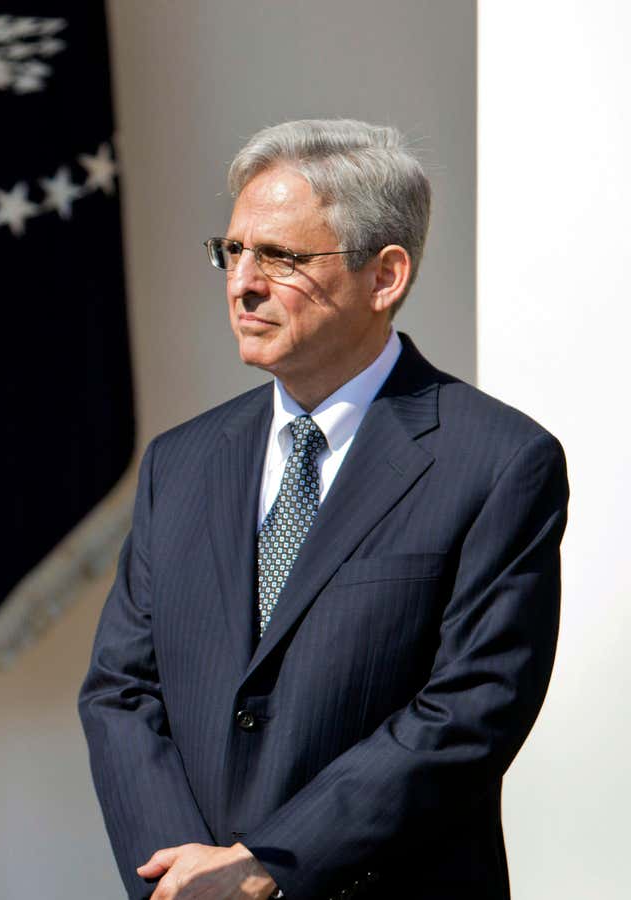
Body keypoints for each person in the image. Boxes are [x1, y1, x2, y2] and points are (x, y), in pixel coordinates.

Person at [78, 119, 567, 899]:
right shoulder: (182, 461)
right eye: (232, 250)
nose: (242, 282)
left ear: (385, 277)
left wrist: (270, 863)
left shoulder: (499, 461)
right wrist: (178, 872)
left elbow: (471, 708)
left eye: (280, 257)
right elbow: (122, 690)